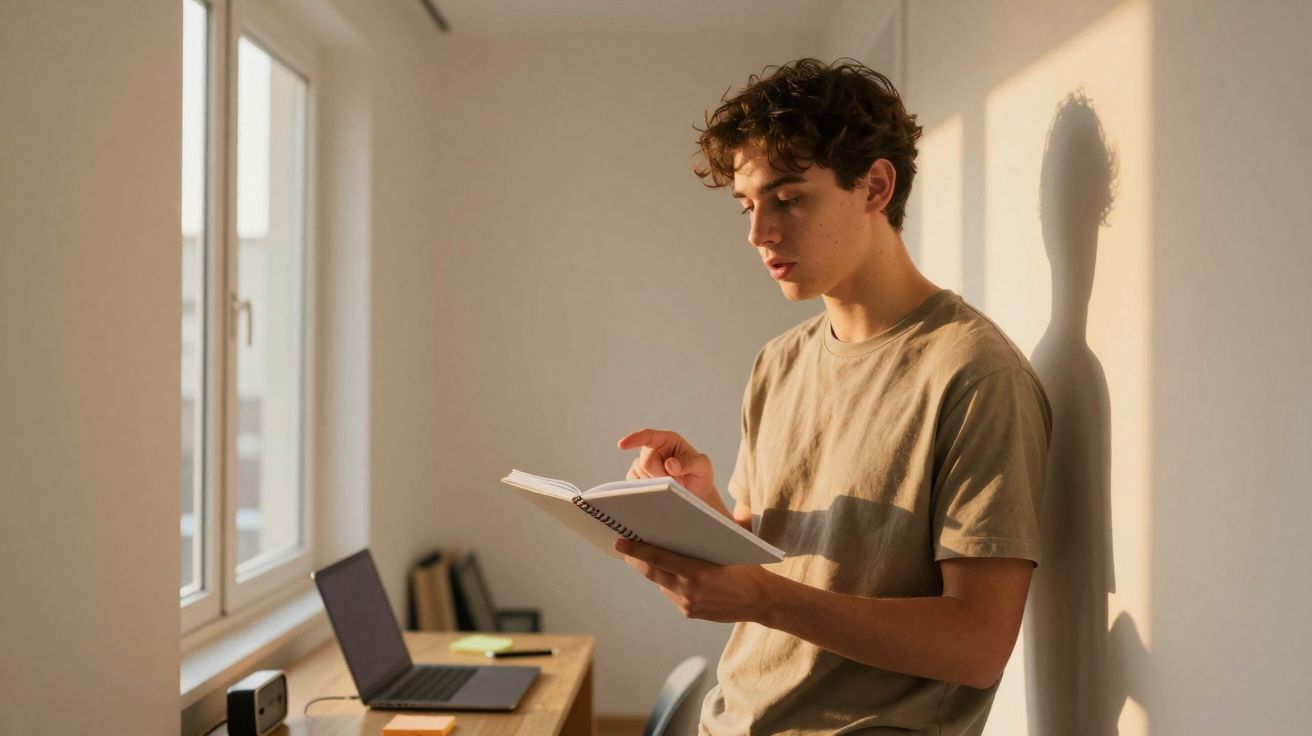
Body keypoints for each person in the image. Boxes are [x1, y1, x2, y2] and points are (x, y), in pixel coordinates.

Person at [614, 58, 1052, 735]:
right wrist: (700, 513)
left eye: (788, 199)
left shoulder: (975, 373)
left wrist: (763, 598)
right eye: (748, 206)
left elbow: (978, 645)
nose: (759, 234)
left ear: (876, 186)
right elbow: (774, 558)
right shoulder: (778, 363)